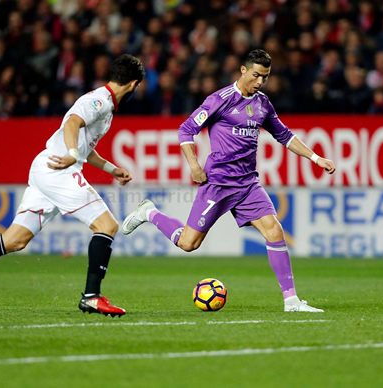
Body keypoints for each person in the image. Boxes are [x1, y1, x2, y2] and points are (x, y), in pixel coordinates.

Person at [0, 54, 145, 317]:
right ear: (134, 84)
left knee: (15, 240)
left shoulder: (106, 105)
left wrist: (112, 169)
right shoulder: (98, 101)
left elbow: (85, 147)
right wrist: (72, 155)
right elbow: (72, 123)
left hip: (48, 169)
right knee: (107, 225)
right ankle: (91, 296)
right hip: (58, 169)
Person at [122, 50, 335, 313]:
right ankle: (149, 213)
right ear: (243, 71)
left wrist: (316, 158)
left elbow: (285, 136)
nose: (259, 82)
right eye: (256, 75)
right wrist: (195, 166)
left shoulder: (263, 104)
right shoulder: (219, 100)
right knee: (189, 243)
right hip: (218, 184)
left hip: (247, 184)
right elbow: (186, 129)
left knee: (274, 231)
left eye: (265, 77)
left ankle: (291, 301)